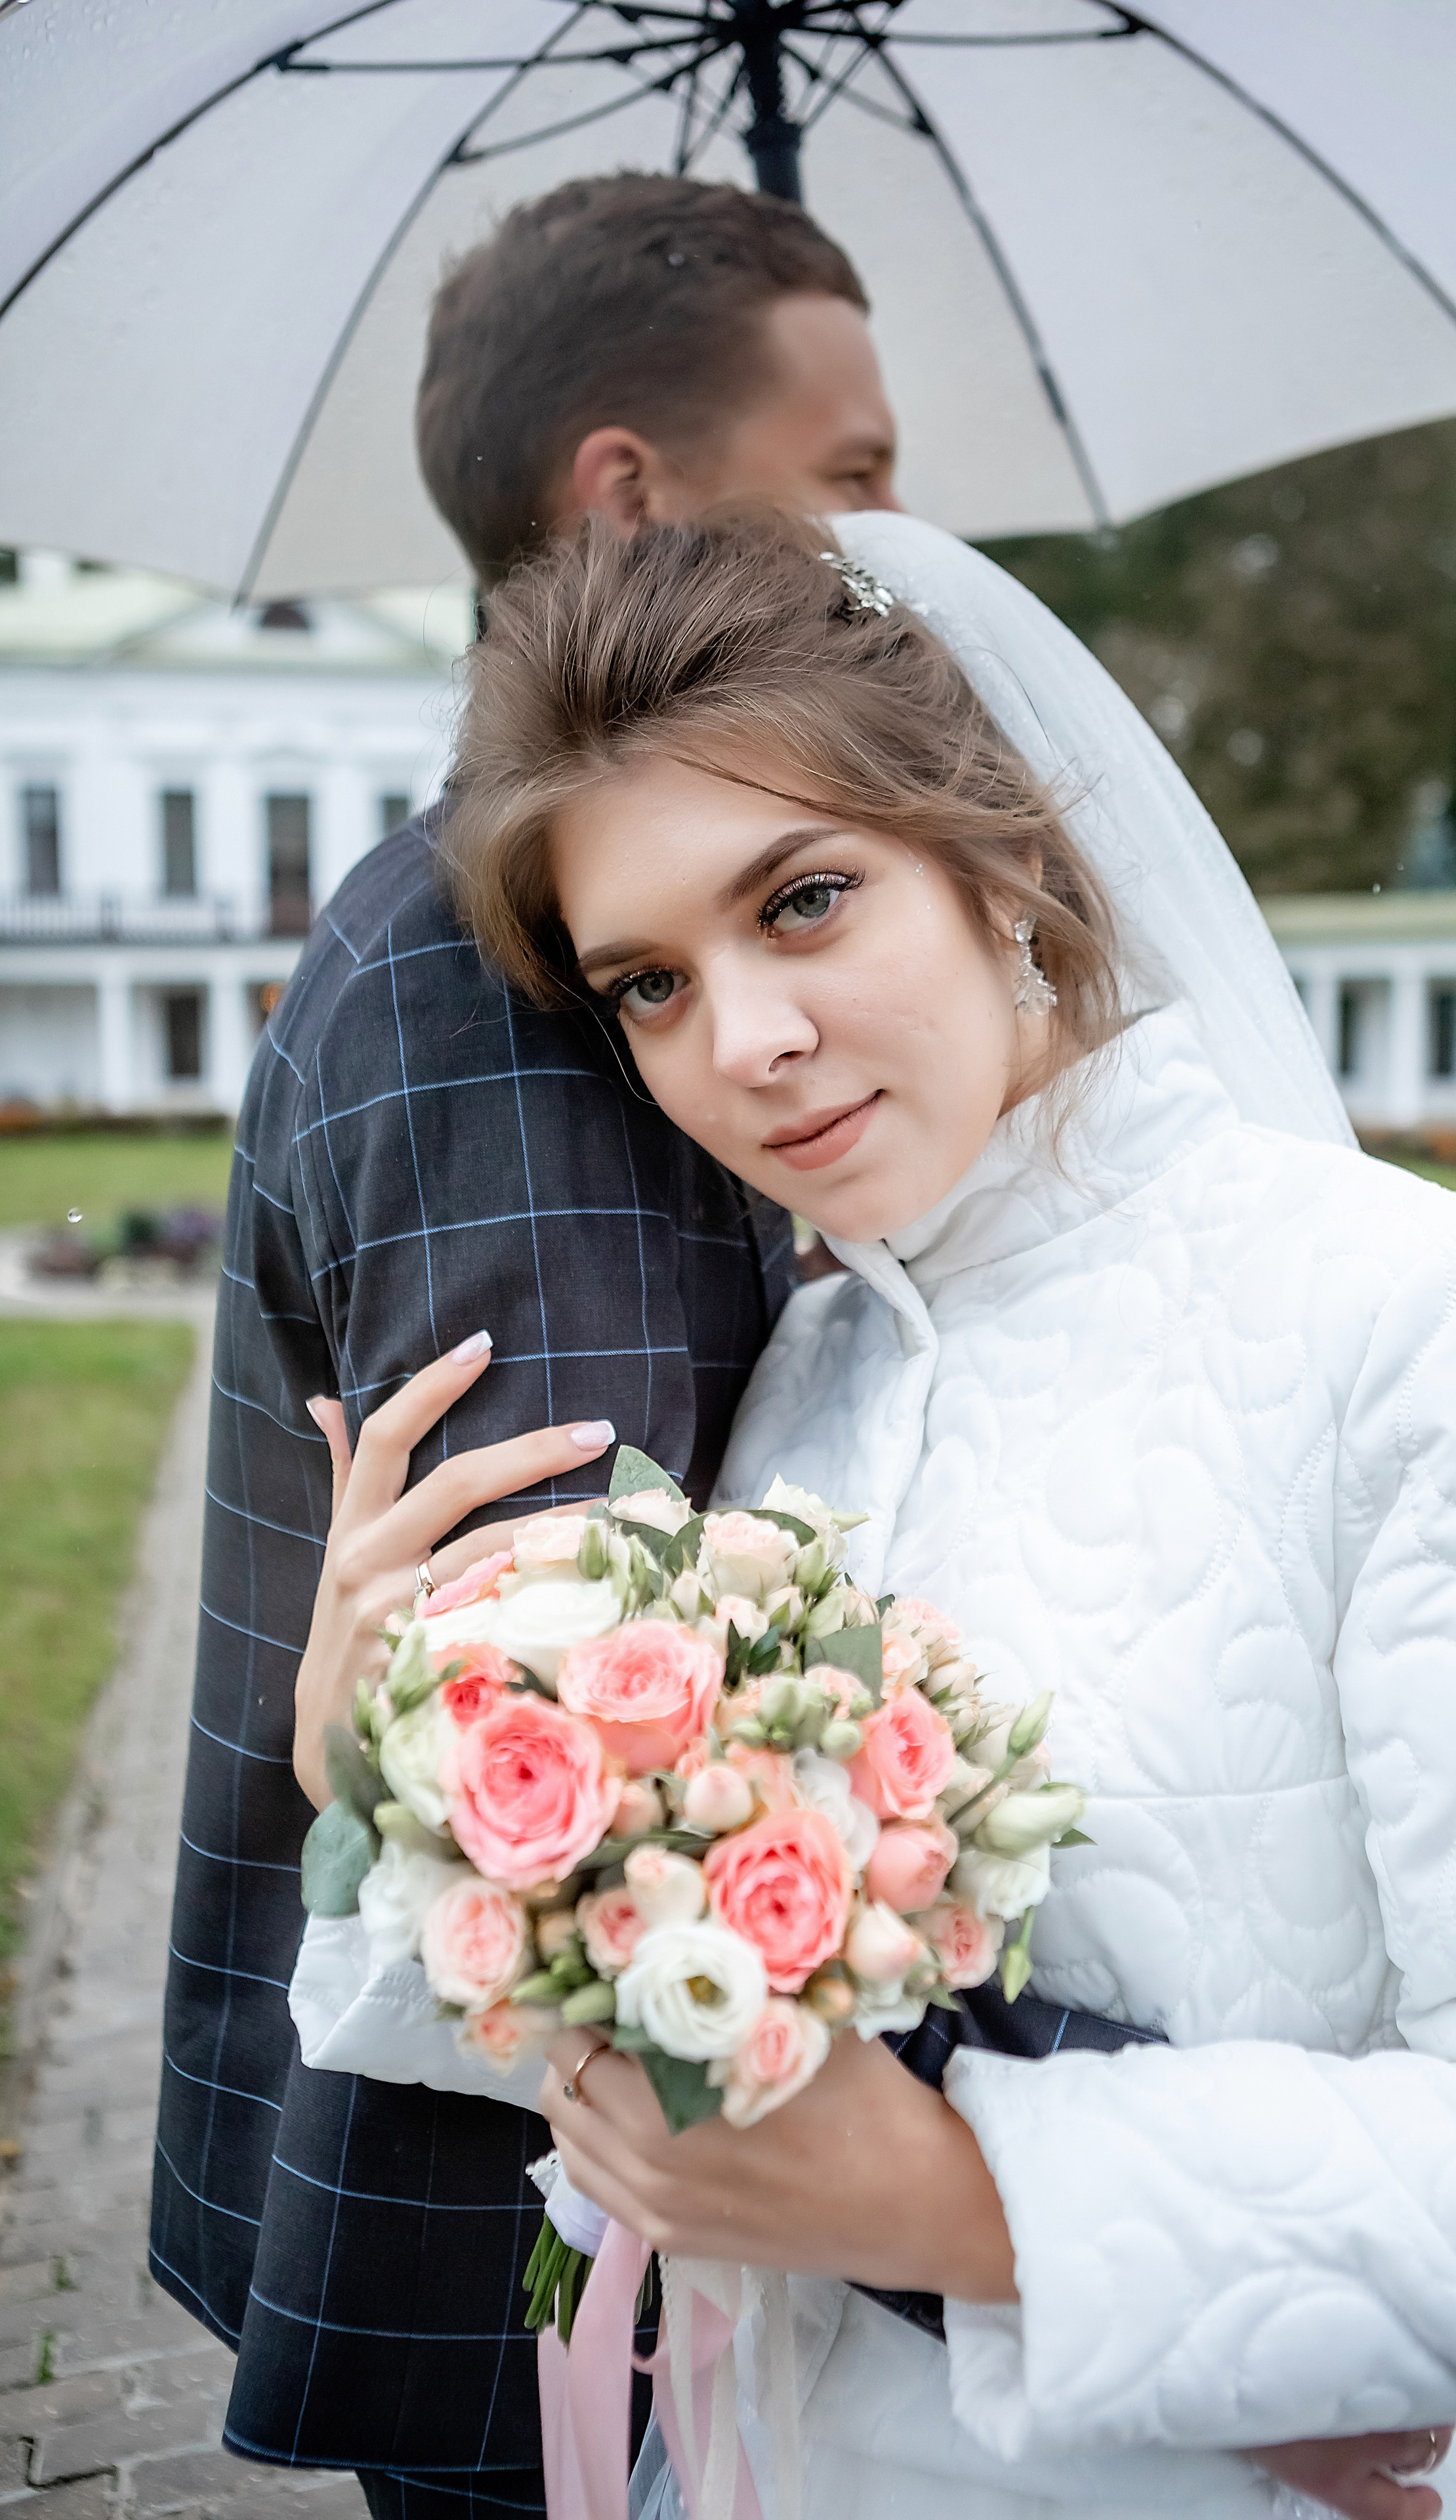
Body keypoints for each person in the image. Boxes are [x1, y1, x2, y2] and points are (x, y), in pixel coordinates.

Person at [323, 506, 1456, 2520]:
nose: (742, 1050)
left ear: (1007, 855)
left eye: (801, 903)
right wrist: (399, 1765)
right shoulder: (799, 1390)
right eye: (648, 985)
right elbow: (690, 2056)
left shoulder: (1406, 1315)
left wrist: (981, 2209)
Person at [149, 173, 899, 2517]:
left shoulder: (514, 917)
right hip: (550, 2259)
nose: (900, 536)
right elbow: (596, 1758)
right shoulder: (506, 995)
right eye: (858, 469)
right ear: (630, 492)